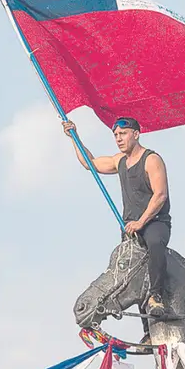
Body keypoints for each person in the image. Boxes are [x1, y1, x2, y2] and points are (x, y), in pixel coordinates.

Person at [62, 117, 171, 341]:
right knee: (129, 269)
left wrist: (141, 222)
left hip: (154, 222)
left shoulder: (151, 160)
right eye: (115, 136)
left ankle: (157, 296)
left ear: (136, 134)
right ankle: (148, 330)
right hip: (131, 228)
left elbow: (160, 195)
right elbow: (89, 163)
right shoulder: (119, 160)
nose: (119, 139)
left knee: (154, 245)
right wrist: (75, 137)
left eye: (123, 134)